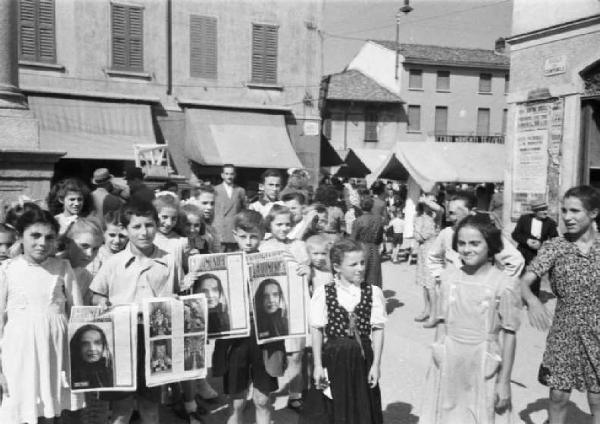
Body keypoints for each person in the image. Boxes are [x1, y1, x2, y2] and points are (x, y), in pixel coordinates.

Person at [420, 214, 521, 424]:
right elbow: (442, 322)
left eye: (475, 243)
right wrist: (438, 354)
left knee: (482, 413)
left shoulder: (504, 283)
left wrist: (504, 382)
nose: (467, 249)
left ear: (490, 244)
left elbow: (510, 334)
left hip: (483, 360)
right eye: (462, 243)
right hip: (449, 359)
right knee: (446, 414)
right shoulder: (448, 278)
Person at [90, 200, 183, 424]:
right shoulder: (113, 263)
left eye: (149, 225)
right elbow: (97, 294)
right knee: (121, 408)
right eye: (136, 226)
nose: (144, 232)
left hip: (156, 339)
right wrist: (101, 303)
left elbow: (178, 292)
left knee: (150, 406)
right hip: (121, 339)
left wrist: (177, 300)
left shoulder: (169, 260)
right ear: (125, 229)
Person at [520, 186, 600, 424]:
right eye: (564, 210)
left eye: (575, 211)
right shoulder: (555, 246)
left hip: (598, 331)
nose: (567, 217)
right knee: (558, 396)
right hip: (563, 332)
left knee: (596, 398)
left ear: (594, 213)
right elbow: (525, 280)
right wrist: (532, 299)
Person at [0, 209, 85, 423]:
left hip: (57, 353)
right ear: (20, 236)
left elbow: (78, 314)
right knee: (21, 411)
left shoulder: (63, 268)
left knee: (55, 412)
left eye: (49, 237)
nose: (42, 243)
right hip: (19, 356)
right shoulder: (7, 270)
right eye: (35, 236)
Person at [211, 210, 286, 424]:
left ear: (262, 235)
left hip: (266, 335)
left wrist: (299, 271)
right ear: (235, 235)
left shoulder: (273, 261)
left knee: (263, 399)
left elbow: (290, 291)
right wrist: (191, 280)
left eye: (254, 236)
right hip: (235, 336)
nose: (248, 242)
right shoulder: (224, 263)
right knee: (236, 400)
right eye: (243, 237)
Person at [309, 238, 386, 424]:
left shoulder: (372, 292)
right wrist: (318, 365)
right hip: (334, 358)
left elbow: (378, 329)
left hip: (362, 358)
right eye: (353, 264)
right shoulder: (324, 292)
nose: (360, 268)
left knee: (363, 403)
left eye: (362, 263)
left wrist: (376, 364)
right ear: (337, 267)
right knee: (334, 405)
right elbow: (317, 329)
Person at [427, 191, 524, 327]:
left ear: (471, 212)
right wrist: (441, 277)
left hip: (480, 306)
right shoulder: (447, 234)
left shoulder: (486, 234)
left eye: (454, 212)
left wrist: (497, 286)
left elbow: (516, 260)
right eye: (449, 212)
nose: (449, 217)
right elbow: (433, 257)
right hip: (454, 303)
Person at [259, 204, 310, 410]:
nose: (284, 228)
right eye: (279, 224)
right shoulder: (262, 247)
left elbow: (309, 273)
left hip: (294, 307)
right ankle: (264, 391)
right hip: (270, 309)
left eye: (287, 224)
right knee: (270, 353)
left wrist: (307, 269)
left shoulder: (298, 245)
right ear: (269, 224)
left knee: (296, 354)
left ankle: (295, 393)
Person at [511, 201, 558, 297]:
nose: (545, 212)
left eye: (546, 209)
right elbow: (515, 234)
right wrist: (527, 241)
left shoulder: (550, 223)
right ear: (535, 211)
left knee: (535, 278)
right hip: (523, 251)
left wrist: (542, 244)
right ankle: (518, 297)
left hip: (538, 253)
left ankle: (534, 299)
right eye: (542, 210)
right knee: (520, 274)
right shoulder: (524, 219)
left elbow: (555, 240)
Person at [61, 217, 104, 305]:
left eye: (95, 249)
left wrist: (99, 300)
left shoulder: (86, 277)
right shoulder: (52, 267)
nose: (89, 254)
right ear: (69, 242)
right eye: (84, 246)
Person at [413, 200, 440, 326]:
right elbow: (416, 234)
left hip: (432, 250)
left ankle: (434, 315)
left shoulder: (435, 215)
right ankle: (426, 310)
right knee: (424, 283)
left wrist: (426, 200)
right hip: (422, 250)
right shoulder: (417, 216)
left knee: (431, 285)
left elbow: (439, 209)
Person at [350, 194, 384, 287]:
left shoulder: (358, 221)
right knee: (374, 278)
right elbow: (380, 237)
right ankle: (373, 298)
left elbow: (352, 239)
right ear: (372, 206)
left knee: (360, 277)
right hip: (375, 249)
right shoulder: (379, 219)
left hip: (361, 249)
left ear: (361, 206)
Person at [214, 164, 246, 252]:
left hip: (233, 230)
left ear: (235, 175)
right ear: (222, 175)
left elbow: (244, 210)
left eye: (231, 174)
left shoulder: (240, 191)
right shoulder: (215, 190)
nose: (229, 176)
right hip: (219, 229)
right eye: (227, 174)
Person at [70, 324, 114, 389]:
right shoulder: (70, 369)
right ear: (78, 346)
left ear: (103, 345)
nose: (92, 348)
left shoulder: (109, 367)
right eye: (85, 344)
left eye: (97, 343)